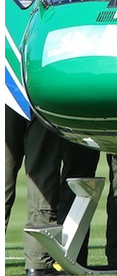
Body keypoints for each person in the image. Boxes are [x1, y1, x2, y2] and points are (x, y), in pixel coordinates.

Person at [5, 107, 65, 276]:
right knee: (42, 177)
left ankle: (39, 263)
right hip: (38, 95)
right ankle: (39, 263)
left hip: (7, 91)